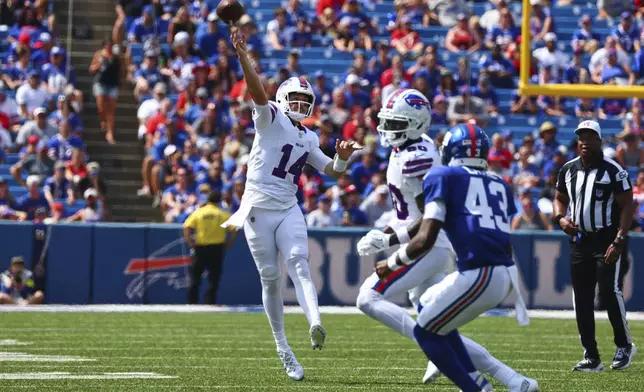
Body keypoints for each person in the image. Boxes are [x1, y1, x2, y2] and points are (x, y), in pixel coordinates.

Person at [356, 97, 537, 390]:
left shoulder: (421, 159)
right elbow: (410, 212)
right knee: (440, 324)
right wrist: (387, 231)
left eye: (396, 123)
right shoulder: (408, 148)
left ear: (416, 125)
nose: (387, 129)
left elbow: (428, 217)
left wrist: (389, 240)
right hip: (427, 242)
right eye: (387, 121)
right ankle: (512, 379)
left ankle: (439, 354)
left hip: (428, 244)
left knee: (369, 299)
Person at [221, 28, 362, 380]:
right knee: (270, 279)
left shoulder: (310, 135)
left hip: (287, 207)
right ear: (283, 99)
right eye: (294, 99)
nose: (299, 105)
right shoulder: (270, 118)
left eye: (304, 100)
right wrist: (243, 57)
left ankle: (315, 321)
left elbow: (332, 171)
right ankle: (283, 347)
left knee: (299, 263)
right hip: (257, 208)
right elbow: (257, 92)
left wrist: (342, 159)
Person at [553, 120, 635, 371]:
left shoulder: (613, 170)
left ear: (599, 141)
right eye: (581, 137)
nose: (585, 142)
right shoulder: (568, 169)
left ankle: (624, 345)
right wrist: (561, 219)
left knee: (610, 293)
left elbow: (627, 205)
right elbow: (559, 198)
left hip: (607, 238)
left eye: (590, 137)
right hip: (580, 240)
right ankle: (591, 355)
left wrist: (619, 239)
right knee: (582, 298)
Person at [183, 190, 237, 305]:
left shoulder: (199, 212)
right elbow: (234, 229)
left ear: (208, 200)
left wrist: (190, 241)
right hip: (217, 248)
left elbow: (187, 226)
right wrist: (229, 243)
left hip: (201, 248)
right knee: (214, 279)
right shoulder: (223, 214)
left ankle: (192, 303)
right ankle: (210, 303)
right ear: (219, 201)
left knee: (195, 277)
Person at [89, 38, 122, 144]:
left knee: (111, 110)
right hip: (100, 83)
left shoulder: (116, 56)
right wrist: (99, 65)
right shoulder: (99, 55)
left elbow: (121, 69)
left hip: (112, 84)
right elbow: (91, 69)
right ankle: (103, 121)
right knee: (101, 106)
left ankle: (110, 133)